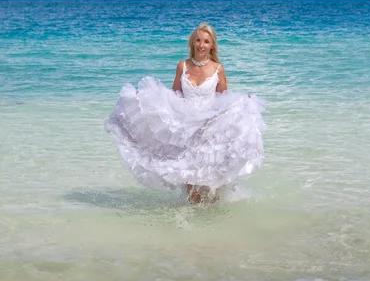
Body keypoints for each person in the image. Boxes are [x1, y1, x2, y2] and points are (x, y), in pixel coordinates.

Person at [105, 23, 265, 203]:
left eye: (206, 41)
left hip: (208, 130)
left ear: (212, 45)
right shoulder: (183, 66)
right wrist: (145, 98)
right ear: (192, 43)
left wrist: (243, 102)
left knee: (210, 184)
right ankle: (192, 222)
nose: (201, 45)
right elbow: (174, 96)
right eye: (198, 40)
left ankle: (215, 220)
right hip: (185, 129)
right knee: (189, 184)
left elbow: (224, 100)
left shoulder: (218, 69)